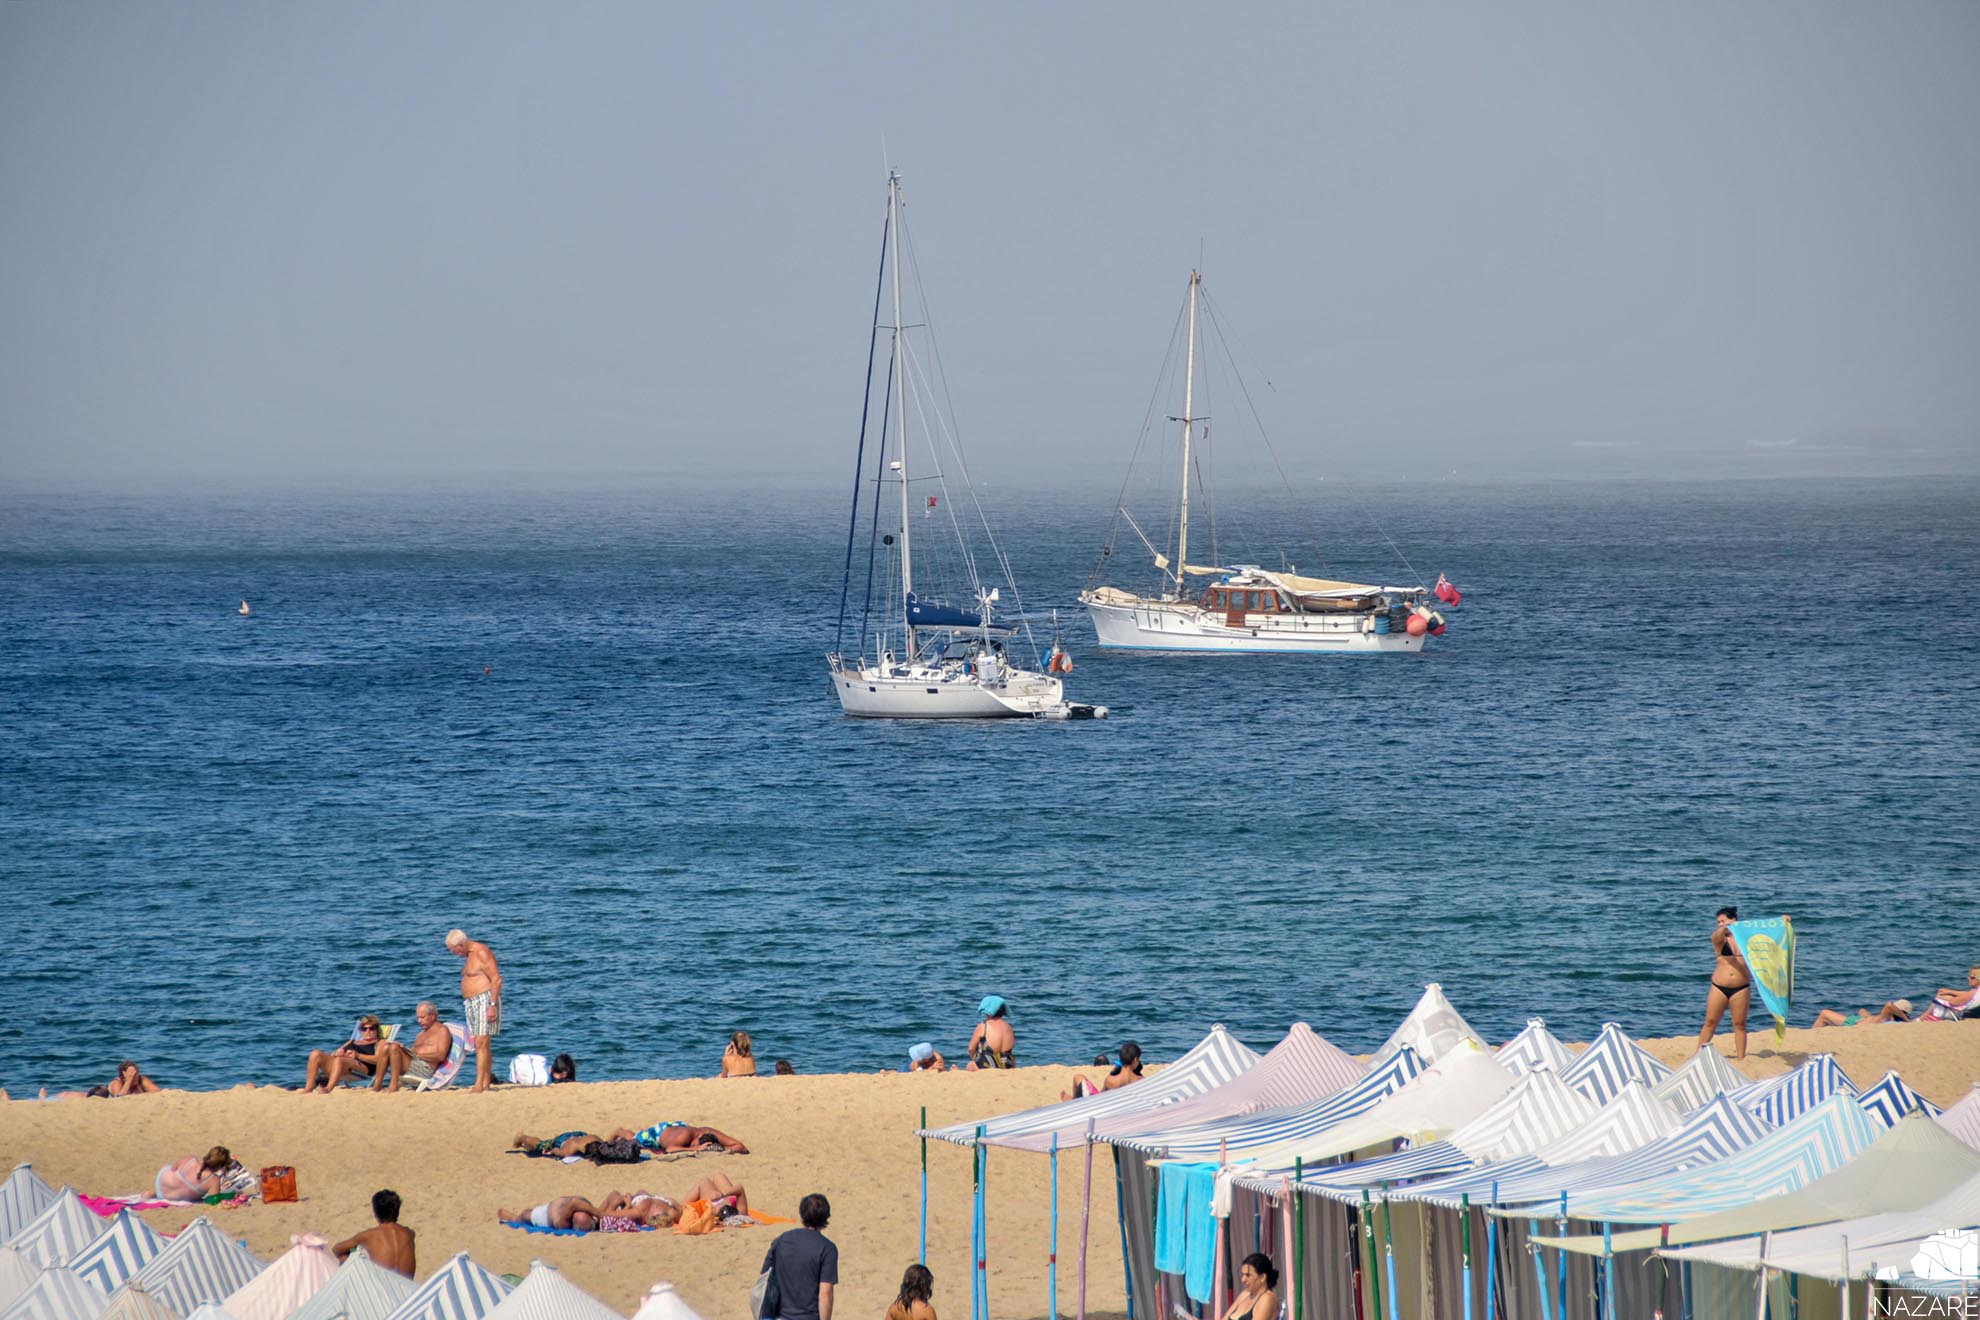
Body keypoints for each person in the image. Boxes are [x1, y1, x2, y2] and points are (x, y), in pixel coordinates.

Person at [762, 1193, 837, 1320]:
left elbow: (763, 1279)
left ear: (802, 1215)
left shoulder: (782, 1240)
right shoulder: (827, 1248)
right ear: (826, 1218)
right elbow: (825, 1293)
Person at [446, 929, 501, 1092]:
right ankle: (485, 1082)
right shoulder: (469, 956)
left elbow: (496, 979)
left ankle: (479, 1084)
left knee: (481, 1042)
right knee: (481, 1044)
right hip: (471, 1002)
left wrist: (492, 1005)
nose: (453, 954)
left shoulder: (481, 952)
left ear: (461, 945)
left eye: (453, 950)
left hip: (484, 1000)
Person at [1695, 906, 1752, 1060]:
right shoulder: (1720, 939)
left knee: (1739, 1024)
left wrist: (1782, 921)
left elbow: (1765, 932)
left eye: (1723, 921)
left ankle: (1741, 1057)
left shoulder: (1744, 938)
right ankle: (1698, 1055)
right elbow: (1716, 936)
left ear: (1734, 919)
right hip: (1719, 987)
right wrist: (1724, 927)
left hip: (1741, 987)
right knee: (1710, 1022)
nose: (1720, 924)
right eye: (1718, 922)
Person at [598, 1173, 751, 1228]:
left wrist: (628, 1203)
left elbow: (608, 1215)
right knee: (718, 1176)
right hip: (717, 1198)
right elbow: (740, 1188)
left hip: (694, 1203)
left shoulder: (640, 1210)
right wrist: (724, 1194)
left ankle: (626, 1199)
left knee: (705, 1182)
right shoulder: (739, 1211)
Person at [333, 1189, 416, 1277]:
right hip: (408, 1288)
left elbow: (336, 1249)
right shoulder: (409, 1233)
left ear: (375, 1213)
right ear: (397, 1211)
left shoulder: (369, 1235)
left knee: (344, 1257)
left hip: (381, 1287)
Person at [371, 1002, 453, 1091]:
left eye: (422, 1017)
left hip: (425, 1069)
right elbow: (414, 1052)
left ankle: (393, 1086)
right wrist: (406, 1050)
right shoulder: (421, 1033)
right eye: (418, 1018)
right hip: (414, 1063)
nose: (419, 1021)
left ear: (433, 1016)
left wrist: (415, 1053)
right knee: (387, 1046)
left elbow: (441, 1056)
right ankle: (377, 1085)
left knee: (394, 1047)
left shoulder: (442, 1030)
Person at [303, 1017, 384, 1092]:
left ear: (377, 1029)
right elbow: (334, 1054)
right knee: (315, 1054)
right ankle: (308, 1088)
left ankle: (328, 1088)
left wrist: (357, 1055)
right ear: (360, 1030)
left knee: (340, 1060)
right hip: (340, 1065)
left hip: (363, 1068)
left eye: (371, 1028)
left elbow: (378, 1060)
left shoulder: (380, 1042)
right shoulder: (353, 1041)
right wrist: (336, 1053)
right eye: (364, 1029)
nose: (368, 1031)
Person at [1063, 1042, 1144, 1100]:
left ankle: (1074, 1101)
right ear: (1136, 1060)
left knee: (1078, 1077)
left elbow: (1099, 1097)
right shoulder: (1141, 1080)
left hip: (1098, 1104)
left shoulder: (1111, 1080)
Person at [610, 1122, 750, 1154]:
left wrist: (721, 1148)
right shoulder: (685, 1137)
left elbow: (740, 1146)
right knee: (634, 1138)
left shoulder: (708, 1132)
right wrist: (695, 1148)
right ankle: (619, 1131)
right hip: (658, 1135)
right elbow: (670, 1149)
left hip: (676, 1128)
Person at [156, 1146, 233, 1201]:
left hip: (161, 1181)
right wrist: (230, 1195)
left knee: (176, 1176)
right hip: (173, 1198)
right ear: (220, 1166)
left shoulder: (190, 1159)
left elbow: (173, 1168)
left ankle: (152, 1193)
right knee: (183, 1188)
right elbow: (212, 1200)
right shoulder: (214, 1180)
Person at [1219, 1254, 1280, 1320]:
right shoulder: (1244, 1295)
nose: (1243, 1280)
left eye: (1248, 1275)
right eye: (1243, 1274)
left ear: (1262, 1277)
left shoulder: (1267, 1299)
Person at [497, 1196, 599, 1232]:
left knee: (525, 1215)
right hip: (555, 1207)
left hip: (544, 1216)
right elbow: (614, 1196)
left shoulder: (563, 1224)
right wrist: (599, 1214)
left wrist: (598, 1212)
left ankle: (513, 1218)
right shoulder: (594, 1217)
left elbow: (574, 1203)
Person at [967, 996, 1015, 1070]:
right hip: (1008, 1065)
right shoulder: (1009, 1027)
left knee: (970, 1065)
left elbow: (971, 1049)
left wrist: (975, 1059)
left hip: (988, 1065)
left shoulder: (983, 1026)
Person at [1813, 1000, 1912, 1027]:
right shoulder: (1887, 1017)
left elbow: (1889, 1005)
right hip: (1858, 1020)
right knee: (1862, 1010)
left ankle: (1812, 1039)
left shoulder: (1888, 1017)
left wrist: (1906, 1020)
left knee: (1824, 1014)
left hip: (1854, 1024)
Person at [512, 1130, 606, 1158]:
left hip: (581, 1134)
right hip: (563, 1140)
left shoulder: (597, 1140)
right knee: (542, 1145)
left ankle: (525, 1144)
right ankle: (522, 1137)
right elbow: (558, 1152)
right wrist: (551, 1151)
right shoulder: (571, 1149)